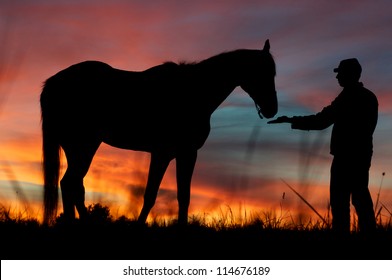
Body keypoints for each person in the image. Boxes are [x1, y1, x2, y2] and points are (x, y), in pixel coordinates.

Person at [269, 58, 378, 235]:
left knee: (343, 202)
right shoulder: (363, 96)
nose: (337, 78)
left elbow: (322, 120)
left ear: (350, 74)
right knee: (358, 199)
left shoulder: (349, 98)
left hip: (347, 157)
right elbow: (324, 119)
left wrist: (290, 120)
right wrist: (291, 120)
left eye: (340, 73)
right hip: (360, 155)